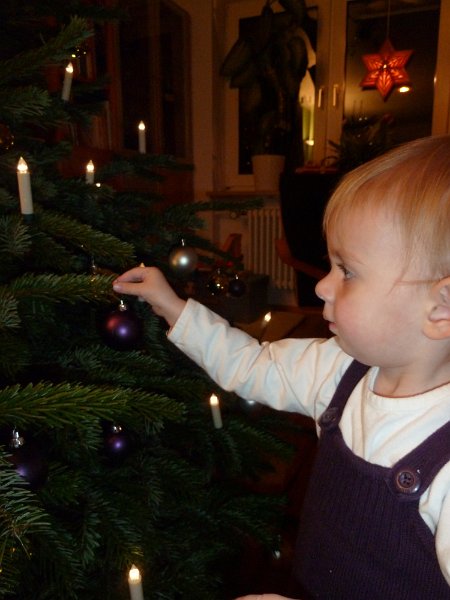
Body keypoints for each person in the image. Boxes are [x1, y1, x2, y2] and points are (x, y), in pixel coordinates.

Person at [113, 135, 450, 599]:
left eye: (347, 271)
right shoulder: (338, 369)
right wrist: (173, 306)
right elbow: (251, 365)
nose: (323, 287)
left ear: (440, 308)